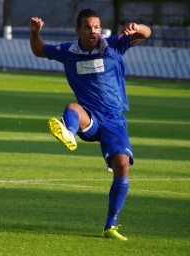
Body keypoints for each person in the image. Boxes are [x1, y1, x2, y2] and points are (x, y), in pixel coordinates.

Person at [30, 9, 151, 240]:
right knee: (73, 107)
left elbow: (146, 33)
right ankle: (69, 133)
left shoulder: (114, 44)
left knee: (122, 166)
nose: (92, 31)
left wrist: (137, 28)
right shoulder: (68, 51)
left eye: (96, 27)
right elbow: (39, 50)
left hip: (114, 120)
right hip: (90, 117)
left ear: (100, 29)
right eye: (87, 27)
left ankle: (110, 226)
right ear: (78, 30)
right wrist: (35, 32)